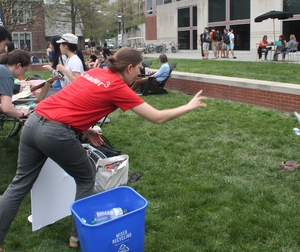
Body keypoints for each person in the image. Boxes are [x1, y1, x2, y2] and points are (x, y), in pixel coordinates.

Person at [0, 47, 207, 251]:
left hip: (33, 121)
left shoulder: (95, 72)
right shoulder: (119, 88)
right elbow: (157, 117)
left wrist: (86, 128)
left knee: (19, 184)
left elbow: (76, 100)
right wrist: (189, 106)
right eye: (138, 68)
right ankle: (77, 236)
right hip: (56, 133)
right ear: (128, 68)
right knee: (86, 178)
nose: (140, 72)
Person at [0, 49, 31, 119]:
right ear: (18, 65)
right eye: (25, 70)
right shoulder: (6, 74)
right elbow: (7, 109)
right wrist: (22, 113)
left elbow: (5, 107)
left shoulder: (2, 69)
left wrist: (14, 110)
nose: (24, 73)